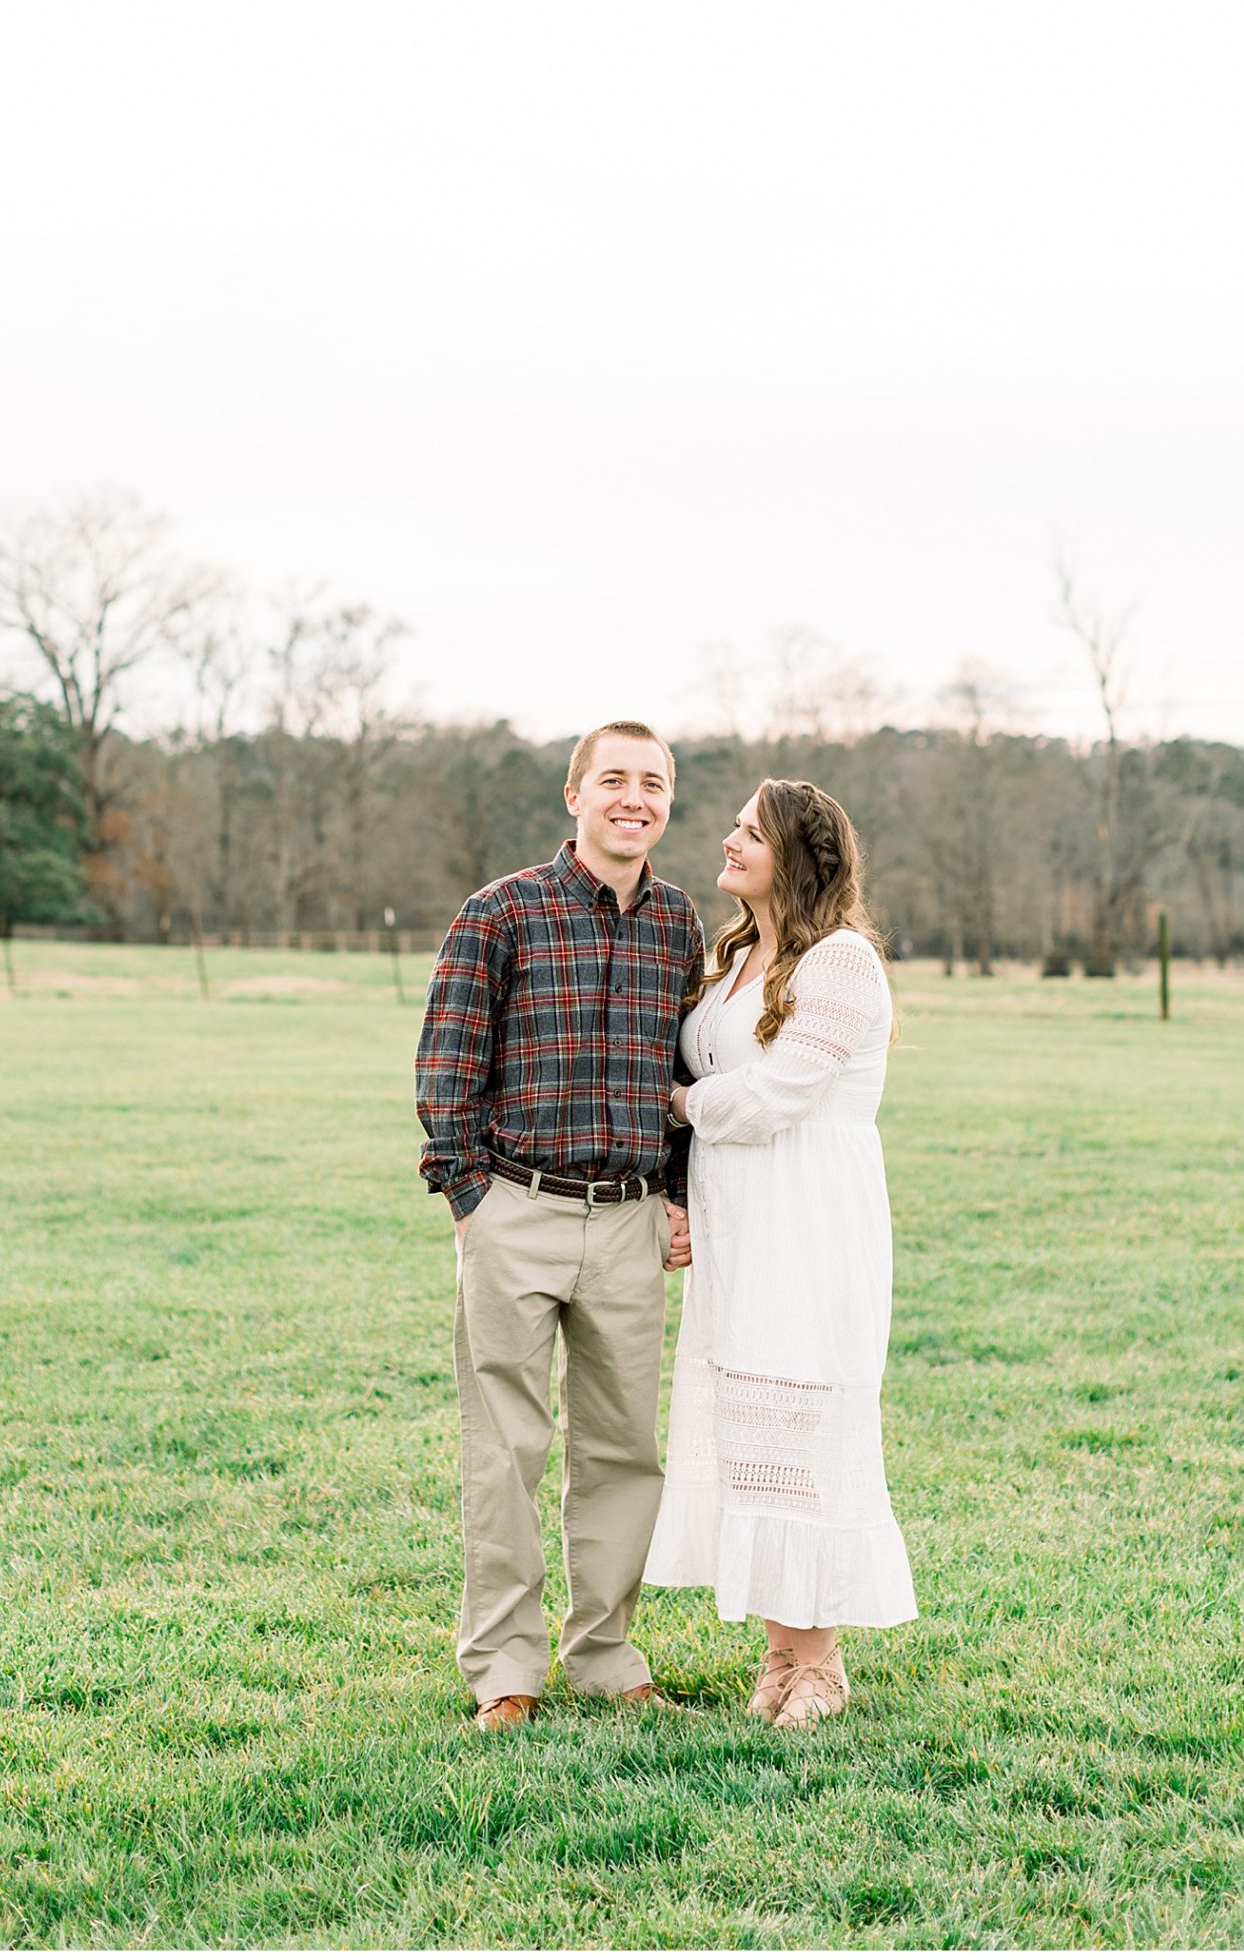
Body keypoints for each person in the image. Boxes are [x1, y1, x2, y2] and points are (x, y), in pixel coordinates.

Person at [415, 721, 702, 1734]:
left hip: (628, 1220)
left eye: (653, 783)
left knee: (625, 1450)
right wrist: (469, 1198)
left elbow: (686, 1072)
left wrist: (676, 1195)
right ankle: (505, 1668)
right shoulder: (501, 911)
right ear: (574, 795)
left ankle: (605, 1653)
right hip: (516, 1208)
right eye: (614, 779)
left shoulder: (678, 924)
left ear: (667, 802)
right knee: (505, 1449)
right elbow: (447, 1059)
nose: (635, 797)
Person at [643, 777, 918, 1727]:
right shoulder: (731, 958)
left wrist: (677, 1104)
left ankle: (821, 1663)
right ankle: (779, 1652)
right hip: (737, 1220)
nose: (727, 840)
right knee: (748, 1432)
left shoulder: (841, 962)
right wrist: (681, 1193)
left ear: (795, 857)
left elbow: (775, 1097)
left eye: (749, 833)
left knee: (798, 1430)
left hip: (809, 1217)